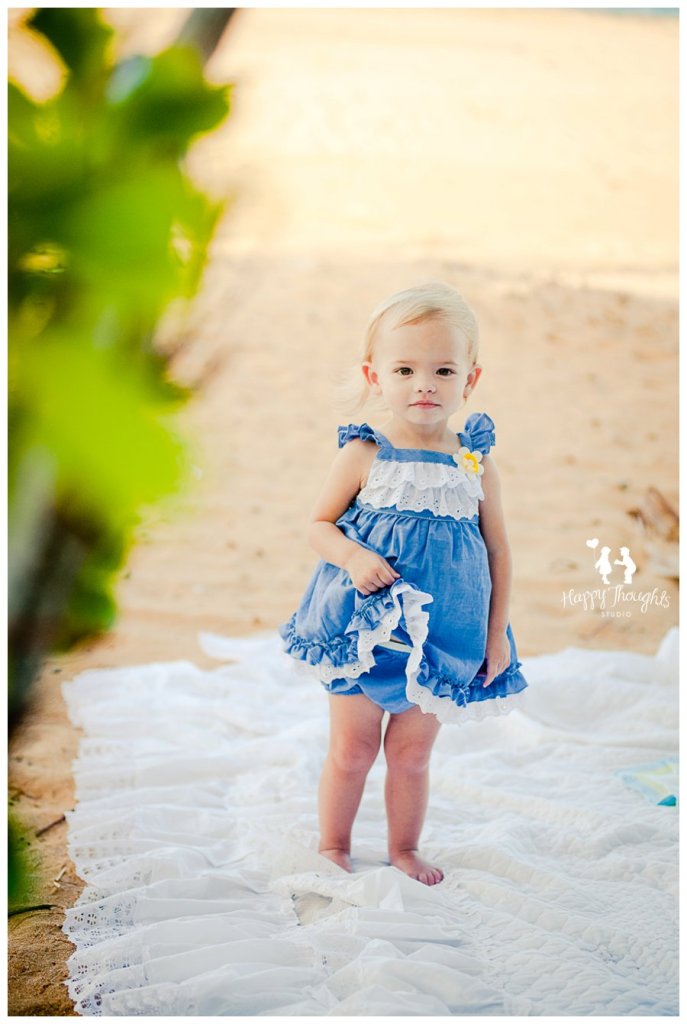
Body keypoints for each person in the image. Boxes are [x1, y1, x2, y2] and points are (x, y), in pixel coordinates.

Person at [278, 281, 529, 886]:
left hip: (443, 635)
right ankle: (334, 843)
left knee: (411, 755)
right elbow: (318, 525)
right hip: (363, 629)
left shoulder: (474, 463)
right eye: (405, 369)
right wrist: (352, 556)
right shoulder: (367, 452)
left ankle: (404, 848)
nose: (425, 385)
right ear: (375, 376)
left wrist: (495, 634)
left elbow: (497, 549)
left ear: (469, 380)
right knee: (353, 750)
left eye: (444, 370)